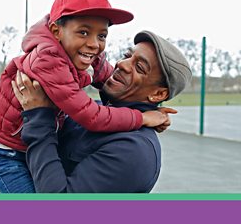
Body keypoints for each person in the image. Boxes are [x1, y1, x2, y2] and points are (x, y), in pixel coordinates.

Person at [0, 0, 169, 193]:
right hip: (4, 152)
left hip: (21, 144)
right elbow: (91, 116)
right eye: (84, 32)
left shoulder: (133, 151)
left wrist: (148, 110)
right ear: (57, 31)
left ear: (158, 94)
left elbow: (104, 74)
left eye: (102, 35)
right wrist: (142, 117)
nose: (94, 44)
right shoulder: (48, 60)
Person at [12, 30, 192, 193]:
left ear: (158, 94)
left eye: (139, 68)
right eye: (127, 56)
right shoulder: (95, 109)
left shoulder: (133, 151)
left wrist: (39, 116)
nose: (122, 64)